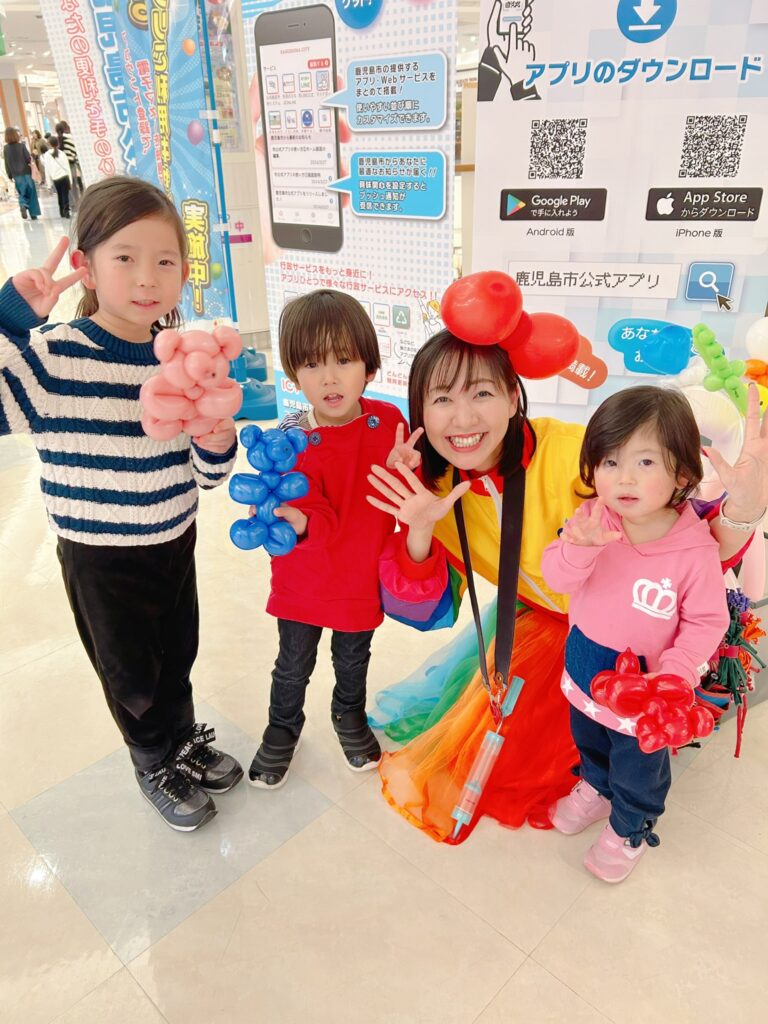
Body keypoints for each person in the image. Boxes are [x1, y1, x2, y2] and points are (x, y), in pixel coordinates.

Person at [366, 311, 767, 845]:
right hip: (545, 623)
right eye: (441, 399)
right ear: (419, 410)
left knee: (622, 744)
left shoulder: (577, 454)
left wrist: (743, 509)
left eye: (481, 393)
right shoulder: (432, 489)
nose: (462, 418)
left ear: (513, 396)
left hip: (636, 632)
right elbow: (428, 609)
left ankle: (628, 819)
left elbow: (686, 546)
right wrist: (418, 529)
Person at [0, 176, 243, 832]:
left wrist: (218, 440)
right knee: (131, 674)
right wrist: (12, 320)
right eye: (125, 258)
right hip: (99, 555)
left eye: (165, 261)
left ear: (185, 273)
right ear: (86, 266)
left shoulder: (183, 360)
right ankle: (152, 760)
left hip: (174, 539)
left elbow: (209, 475)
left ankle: (182, 739)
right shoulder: (53, 358)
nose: (146, 278)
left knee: (177, 653)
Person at [541, 386, 729, 882]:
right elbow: (557, 577)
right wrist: (577, 549)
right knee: (589, 739)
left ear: (682, 473)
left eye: (645, 462)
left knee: (639, 766)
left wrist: (675, 674)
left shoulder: (694, 551)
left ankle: (630, 825)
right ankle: (596, 788)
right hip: (585, 666)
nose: (623, 477)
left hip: (646, 689)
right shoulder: (592, 521)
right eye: (609, 461)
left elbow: (707, 621)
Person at [248, 290, 408, 788]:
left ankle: (348, 715)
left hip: (360, 575)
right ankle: (282, 727)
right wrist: (292, 520)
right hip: (305, 576)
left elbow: (408, 498)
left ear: (370, 366)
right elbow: (305, 510)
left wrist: (412, 474)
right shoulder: (287, 440)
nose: (329, 378)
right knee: (292, 663)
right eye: (312, 364)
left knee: (353, 658)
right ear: (294, 374)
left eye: (344, 360)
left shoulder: (390, 425)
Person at [3, 127, 41, 220]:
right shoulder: (21, 146)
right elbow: (28, 159)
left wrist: (9, 175)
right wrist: (34, 155)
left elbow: (6, 163)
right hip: (27, 172)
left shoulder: (6, 148)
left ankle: (23, 204)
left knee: (22, 192)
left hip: (16, 175)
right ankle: (33, 214)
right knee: (31, 192)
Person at [41, 137, 71, 218]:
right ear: (57, 143)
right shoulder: (62, 153)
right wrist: (70, 181)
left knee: (59, 195)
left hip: (55, 178)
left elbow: (47, 170)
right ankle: (66, 211)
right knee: (65, 194)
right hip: (64, 176)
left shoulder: (47, 155)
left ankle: (61, 212)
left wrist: (49, 185)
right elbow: (67, 167)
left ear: (49, 144)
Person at [55, 120, 83, 197]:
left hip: (60, 167)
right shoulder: (69, 139)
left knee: (65, 187)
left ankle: (69, 202)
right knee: (73, 185)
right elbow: (74, 152)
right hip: (71, 165)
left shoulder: (55, 141)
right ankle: (76, 201)